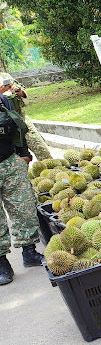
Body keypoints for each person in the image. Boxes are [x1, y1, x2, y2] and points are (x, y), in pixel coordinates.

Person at [0, 88, 45, 285]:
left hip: (10, 161)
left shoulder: (2, 99)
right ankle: (2, 264)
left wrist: (24, 154)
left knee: (25, 208)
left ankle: (30, 252)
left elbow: (18, 127)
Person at [0, 74, 51, 161]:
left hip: (21, 120)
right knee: (14, 156)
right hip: (5, 127)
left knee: (40, 148)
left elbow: (23, 94)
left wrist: (17, 90)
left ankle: (51, 169)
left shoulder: (5, 76)